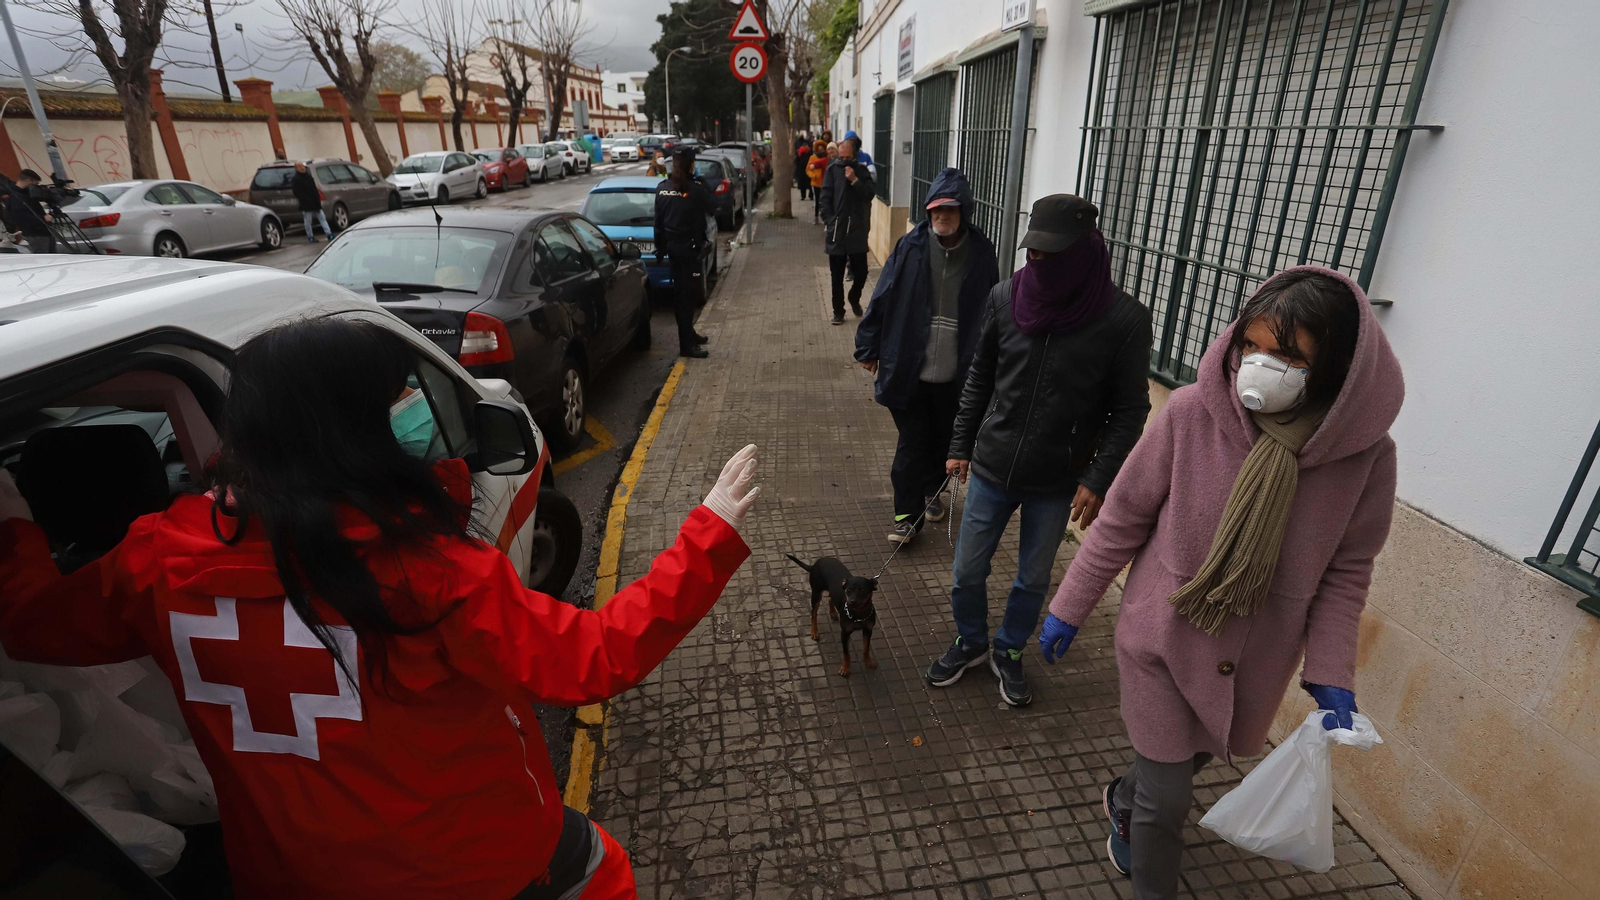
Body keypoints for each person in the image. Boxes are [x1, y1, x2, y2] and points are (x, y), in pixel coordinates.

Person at [0, 317, 762, 900]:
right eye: (395, 398)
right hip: (465, 869)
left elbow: (32, 622)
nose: (411, 410)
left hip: (283, 877)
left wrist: (16, 528)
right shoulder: (426, 574)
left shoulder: (153, 561)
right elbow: (597, 656)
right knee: (601, 868)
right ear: (353, 430)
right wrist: (709, 534)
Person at [1039, 267, 1399, 900]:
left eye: (1286, 355)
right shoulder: (1189, 414)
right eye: (1250, 345)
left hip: (1254, 661)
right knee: (1168, 801)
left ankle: (1124, 794)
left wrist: (1333, 670)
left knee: (1190, 759)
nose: (1258, 365)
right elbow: (1123, 517)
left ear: (1335, 369)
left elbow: (1347, 571)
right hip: (1160, 636)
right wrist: (1070, 606)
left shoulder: (1366, 457)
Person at [927, 194, 1153, 708]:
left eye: (1053, 255)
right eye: (1034, 253)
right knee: (966, 569)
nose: (1039, 264)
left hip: (1059, 479)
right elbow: (980, 377)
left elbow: (1129, 410)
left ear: (1085, 251)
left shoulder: (1124, 321)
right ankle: (970, 641)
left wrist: (1097, 479)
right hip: (990, 465)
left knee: (1032, 579)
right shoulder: (1005, 298)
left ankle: (1008, 651)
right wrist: (961, 444)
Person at [855, 168, 998, 546]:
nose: (942, 218)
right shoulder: (910, 246)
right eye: (936, 211)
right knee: (912, 442)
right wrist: (868, 346)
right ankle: (906, 517)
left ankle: (935, 491)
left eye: (950, 210)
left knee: (944, 438)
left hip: (958, 369)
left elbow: (995, 309)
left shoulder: (982, 252)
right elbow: (882, 294)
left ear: (964, 212)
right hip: (908, 364)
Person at [655, 149, 714, 359]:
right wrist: (702, 182)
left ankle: (689, 334)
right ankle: (686, 345)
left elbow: (658, 224)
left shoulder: (662, 188)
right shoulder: (695, 189)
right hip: (689, 252)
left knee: (683, 295)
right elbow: (712, 207)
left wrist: (660, 250)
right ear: (691, 167)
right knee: (687, 297)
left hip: (673, 251)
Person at [816, 136, 875, 325]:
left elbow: (869, 195)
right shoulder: (833, 170)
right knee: (836, 276)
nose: (843, 162)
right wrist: (830, 220)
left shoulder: (862, 171)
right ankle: (838, 311)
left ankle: (854, 297)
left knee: (862, 272)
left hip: (856, 230)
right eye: (841, 158)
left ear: (854, 156)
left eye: (847, 158)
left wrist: (855, 180)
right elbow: (825, 197)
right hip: (837, 231)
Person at [3, 169, 55, 253]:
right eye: (35, 184)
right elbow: (22, 217)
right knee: (44, 259)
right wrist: (43, 218)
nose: (36, 186)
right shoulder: (16, 196)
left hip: (43, 231)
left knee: (53, 256)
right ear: (29, 181)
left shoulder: (27, 192)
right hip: (35, 233)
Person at [291, 162, 332, 243]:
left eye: (302, 166)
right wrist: (304, 199)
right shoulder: (296, 179)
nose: (302, 167)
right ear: (296, 168)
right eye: (300, 166)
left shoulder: (308, 177)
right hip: (306, 204)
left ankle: (329, 233)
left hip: (315, 202)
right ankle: (310, 236)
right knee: (308, 221)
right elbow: (296, 192)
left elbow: (314, 189)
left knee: (322, 218)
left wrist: (317, 199)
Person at [806, 141, 828, 222]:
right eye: (819, 149)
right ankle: (816, 216)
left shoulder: (827, 158)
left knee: (824, 201)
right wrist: (813, 175)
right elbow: (808, 169)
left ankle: (824, 216)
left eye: (822, 149)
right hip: (815, 182)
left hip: (825, 182)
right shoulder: (812, 158)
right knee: (817, 200)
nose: (821, 151)